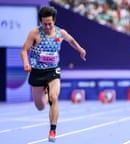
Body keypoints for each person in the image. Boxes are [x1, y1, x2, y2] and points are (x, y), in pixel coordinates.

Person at [20, 6, 86, 143]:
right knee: (40, 106)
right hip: (37, 72)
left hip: (53, 70)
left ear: (54, 21)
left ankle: (52, 130)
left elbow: (71, 40)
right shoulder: (34, 33)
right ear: (41, 22)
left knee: (54, 97)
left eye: (50, 23)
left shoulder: (60, 33)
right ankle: (44, 92)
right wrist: (26, 63)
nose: (48, 26)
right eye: (45, 24)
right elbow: (24, 50)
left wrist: (80, 49)